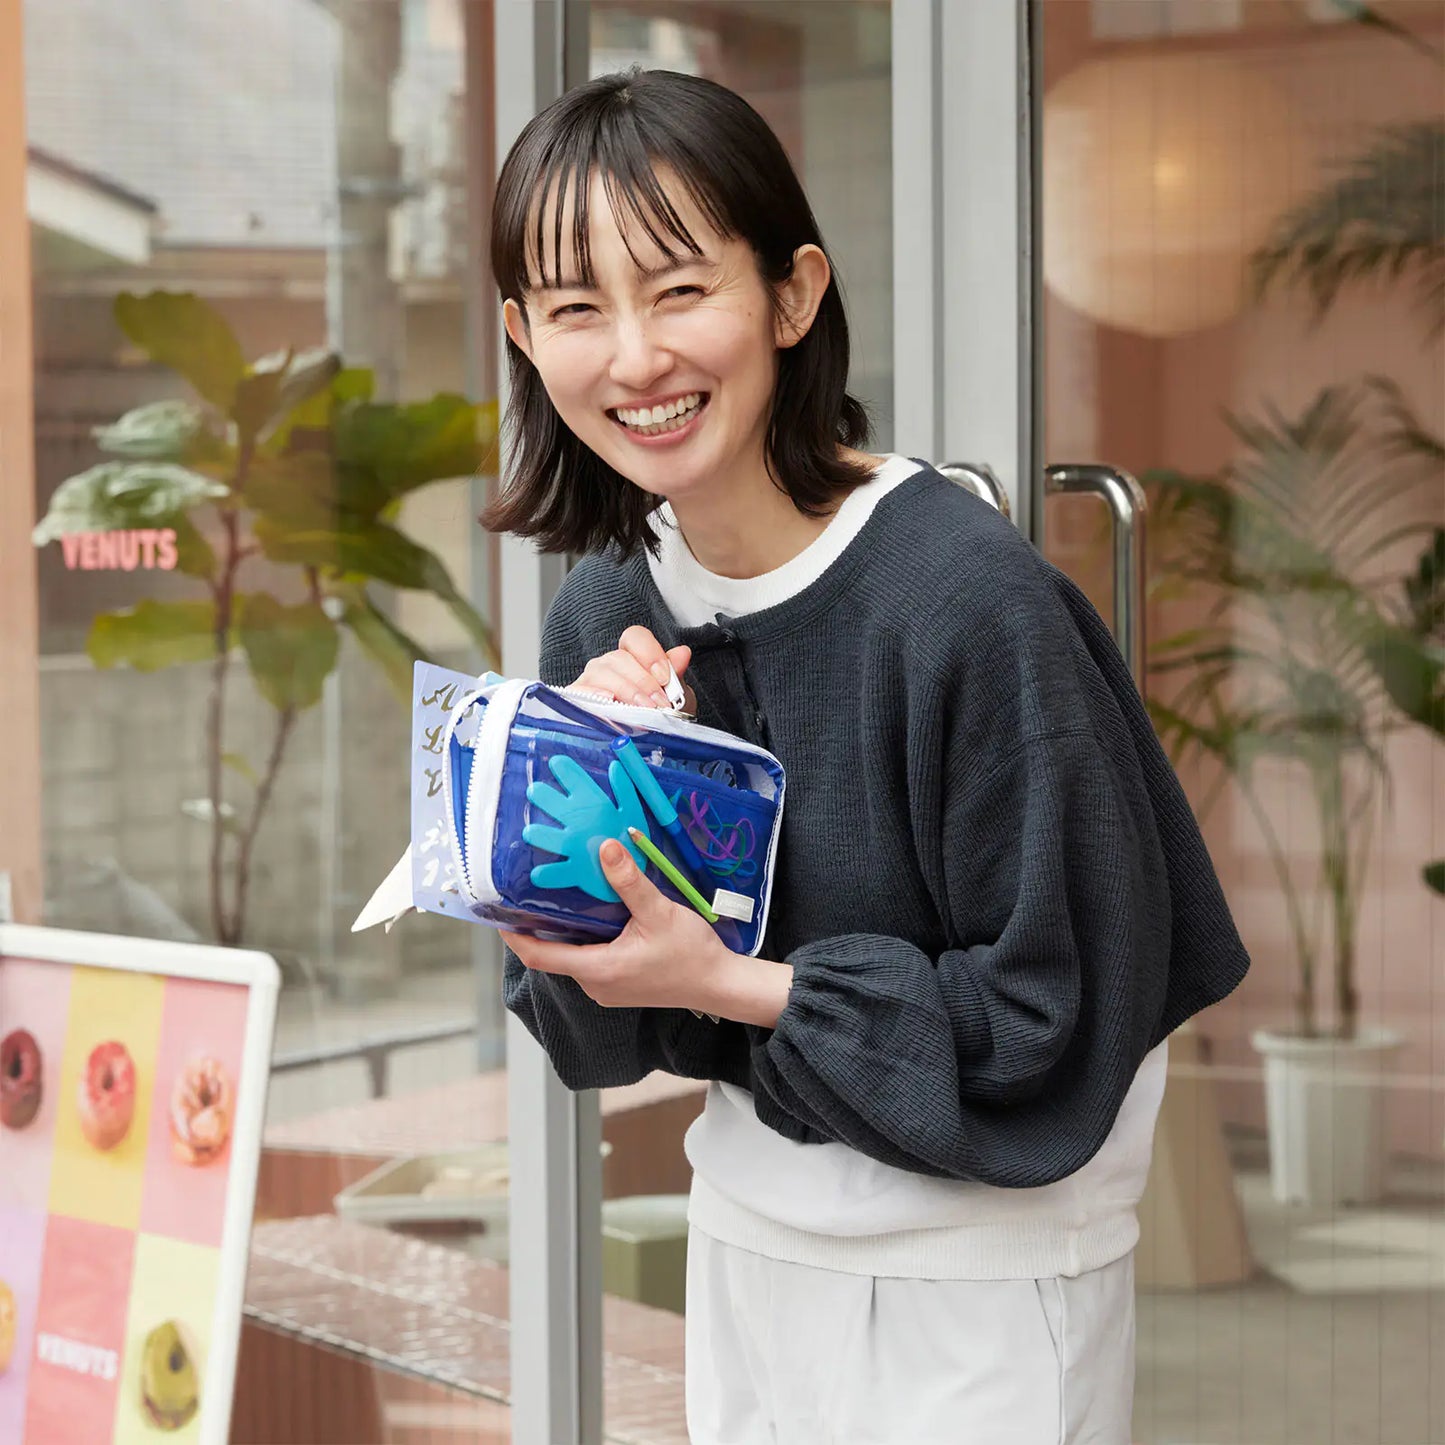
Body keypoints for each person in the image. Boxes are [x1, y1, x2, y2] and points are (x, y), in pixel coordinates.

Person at [486, 67, 1249, 1444]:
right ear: (523, 336)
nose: (634, 357)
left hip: (981, 1284)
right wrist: (581, 823)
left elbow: (1048, 1015)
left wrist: (728, 980)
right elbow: (585, 1029)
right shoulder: (608, 607)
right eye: (575, 308)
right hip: (748, 1247)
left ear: (791, 295)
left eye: (676, 289)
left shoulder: (967, 603)